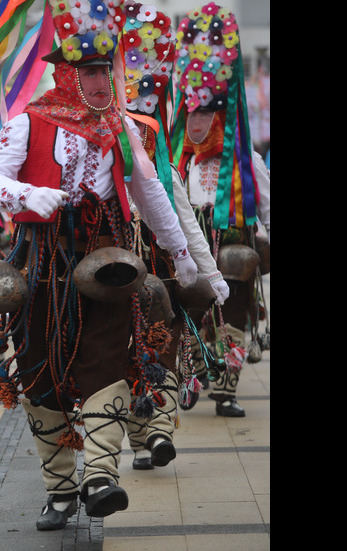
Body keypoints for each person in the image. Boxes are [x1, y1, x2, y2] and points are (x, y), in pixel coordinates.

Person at [0, 0, 197, 530]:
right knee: (38, 372)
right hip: (44, 261)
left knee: (105, 361)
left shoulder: (121, 126)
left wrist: (185, 261)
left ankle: (99, 476)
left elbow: (152, 192)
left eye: (103, 71)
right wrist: (29, 193)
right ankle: (61, 489)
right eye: (87, 72)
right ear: (65, 74)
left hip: (107, 261)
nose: (99, 82)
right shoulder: (30, 121)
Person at [117, 1, 231, 470]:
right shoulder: (96, 166)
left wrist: (209, 272)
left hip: (162, 268)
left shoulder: (164, 172)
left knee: (161, 338)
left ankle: (158, 431)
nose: (139, 144)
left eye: (146, 135)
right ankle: (137, 435)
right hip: (110, 264)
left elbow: (183, 220)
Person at [170, 2, 271, 418]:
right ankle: (192, 372)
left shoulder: (246, 161)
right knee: (188, 310)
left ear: (222, 116)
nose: (197, 122)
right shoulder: (178, 162)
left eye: (207, 113)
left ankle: (226, 391)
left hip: (233, 248)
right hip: (193, 251)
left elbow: (266, 205)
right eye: (192, 112)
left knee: (233, 312)